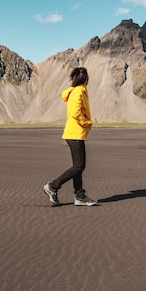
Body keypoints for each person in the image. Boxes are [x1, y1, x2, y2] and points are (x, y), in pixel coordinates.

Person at [43, 67, 98, 206]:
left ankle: (80, 196)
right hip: (75, 133)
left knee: (77, 166)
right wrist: (86, 122)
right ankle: (53, 186)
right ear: (86, 79)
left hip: (74, 133)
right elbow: (75, 112)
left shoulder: (76, 91)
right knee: (79, 166)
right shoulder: (79, 91)